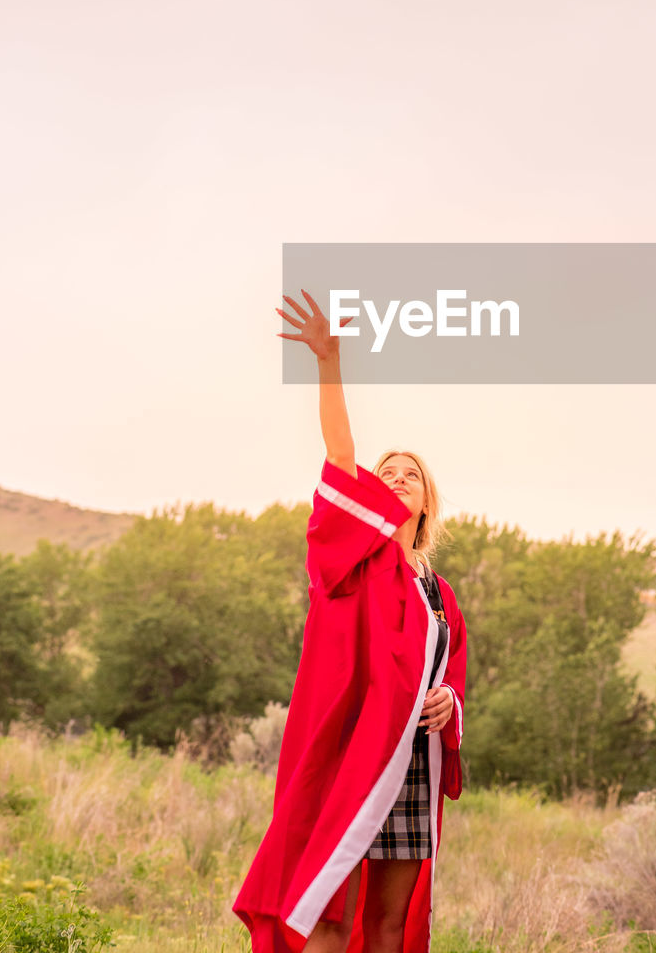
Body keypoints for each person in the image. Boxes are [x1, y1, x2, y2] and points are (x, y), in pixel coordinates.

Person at [233, 290, 467, 953]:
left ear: (425, 503)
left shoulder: (440, 593)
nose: (394, 478)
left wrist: (451, 702)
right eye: (385, 471)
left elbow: (449, 672)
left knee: (390, 923)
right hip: (356, 759)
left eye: (409, 476)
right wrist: (328, 364)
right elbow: (340, 453)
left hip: (412, 763)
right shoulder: (360, 562)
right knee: (333, 913)